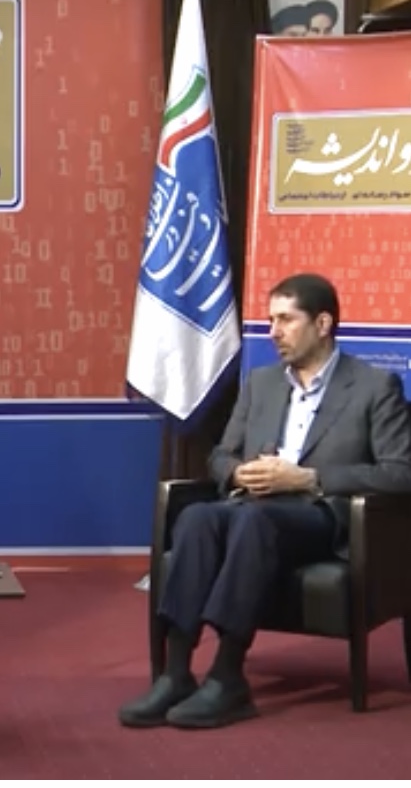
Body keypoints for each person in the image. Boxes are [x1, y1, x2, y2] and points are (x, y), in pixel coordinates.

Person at [119, 273, 411, 730]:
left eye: (285, 320)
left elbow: (400, 472)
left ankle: (228, 675)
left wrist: (309, 478)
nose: (273, 331)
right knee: (196, 517)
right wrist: (238, 473)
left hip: (323, 516)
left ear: (322, 324)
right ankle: (177, 673)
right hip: (251, 505)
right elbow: (221, 455)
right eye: (271, 320)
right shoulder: (261, 383)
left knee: (255, 522)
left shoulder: (374, 386)